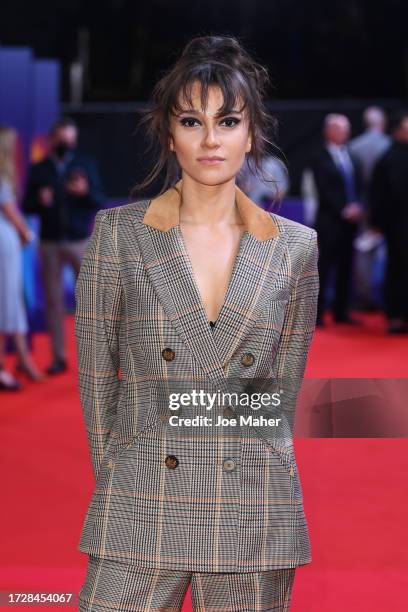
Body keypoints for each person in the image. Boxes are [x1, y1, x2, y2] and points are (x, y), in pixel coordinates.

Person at [75, 35, 319, 612]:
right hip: (142, 502)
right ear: (169, 134)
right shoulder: (119, 236)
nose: (211, 139)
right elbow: (94, 381)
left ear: (251, 132)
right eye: (191, 120)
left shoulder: (294, 249)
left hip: (251, 509)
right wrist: (122, 474)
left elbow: (277, 399)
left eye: (228, 120)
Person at [22, 116, 105, 375]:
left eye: (71, 139)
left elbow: (98, 199)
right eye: (62, 139)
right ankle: (59, 356)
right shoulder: (39, 169)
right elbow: (26, 206)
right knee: (54, 302)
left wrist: (84, 192)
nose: (67, 143)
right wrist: (40, 200)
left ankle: (97, 357)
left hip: (80, 240)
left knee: (92, 300)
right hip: (49, 242)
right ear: (52, 139)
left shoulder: (85, 164)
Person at [0, 124, 44, 391]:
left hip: (8, 241)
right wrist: (26, 232)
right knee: (6, 300)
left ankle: (18, 361)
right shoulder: (2, 176)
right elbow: (8, 209)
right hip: (4, 241)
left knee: (11, 299)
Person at [310, 113, 364, 326]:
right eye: (340, 128)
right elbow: (324, 188)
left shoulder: (352, 156)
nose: (345, 132)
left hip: (351, 222)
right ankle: (318, 313)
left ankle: (342, 311)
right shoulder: (319, 157)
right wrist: (343, 208)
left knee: (346, 267)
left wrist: (358, 207)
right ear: (328, 131)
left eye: (347, 128)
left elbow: (359, 186)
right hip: (330, 221)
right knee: (325, 267)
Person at [367, 108, 408, 334]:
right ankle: (395, 315)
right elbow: (383, 193)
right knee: (397, 268)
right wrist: (379, 223)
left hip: (399, 223)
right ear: (398, 130)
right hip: (398, 225)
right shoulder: (391, 157)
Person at [349, 106, 391, 311]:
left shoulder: (355, 146)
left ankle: (364, 294)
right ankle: (386, 295)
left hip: (363, 206)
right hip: (391, 207)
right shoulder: (390, 145)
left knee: (362, 251)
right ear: (383, 123)